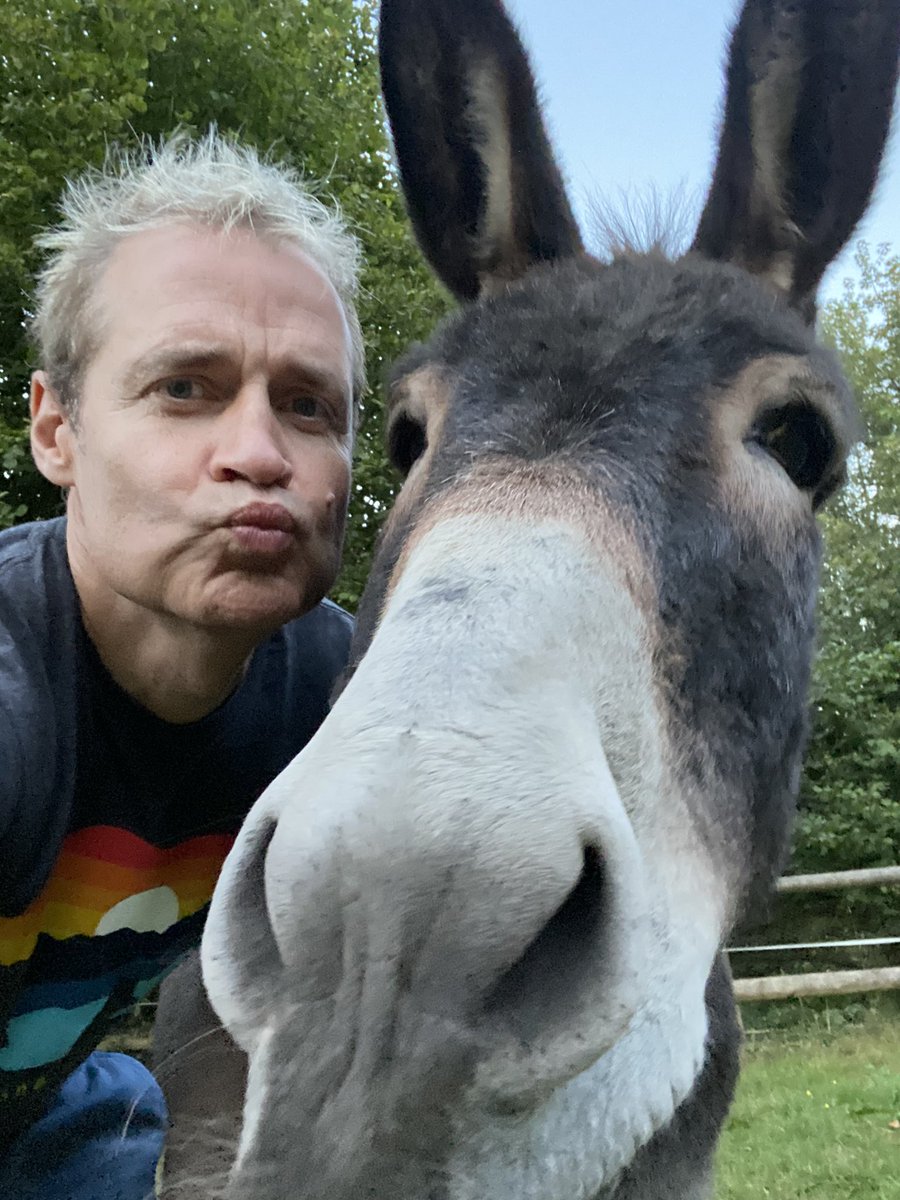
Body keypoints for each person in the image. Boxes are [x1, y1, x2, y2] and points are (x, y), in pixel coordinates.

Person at [0, 131, 364, 1198]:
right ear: (57, 428)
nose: (260, 452)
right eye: (185, 388)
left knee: (124, 1114)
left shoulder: (342, 705)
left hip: (52, 1116)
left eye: (309, 405)